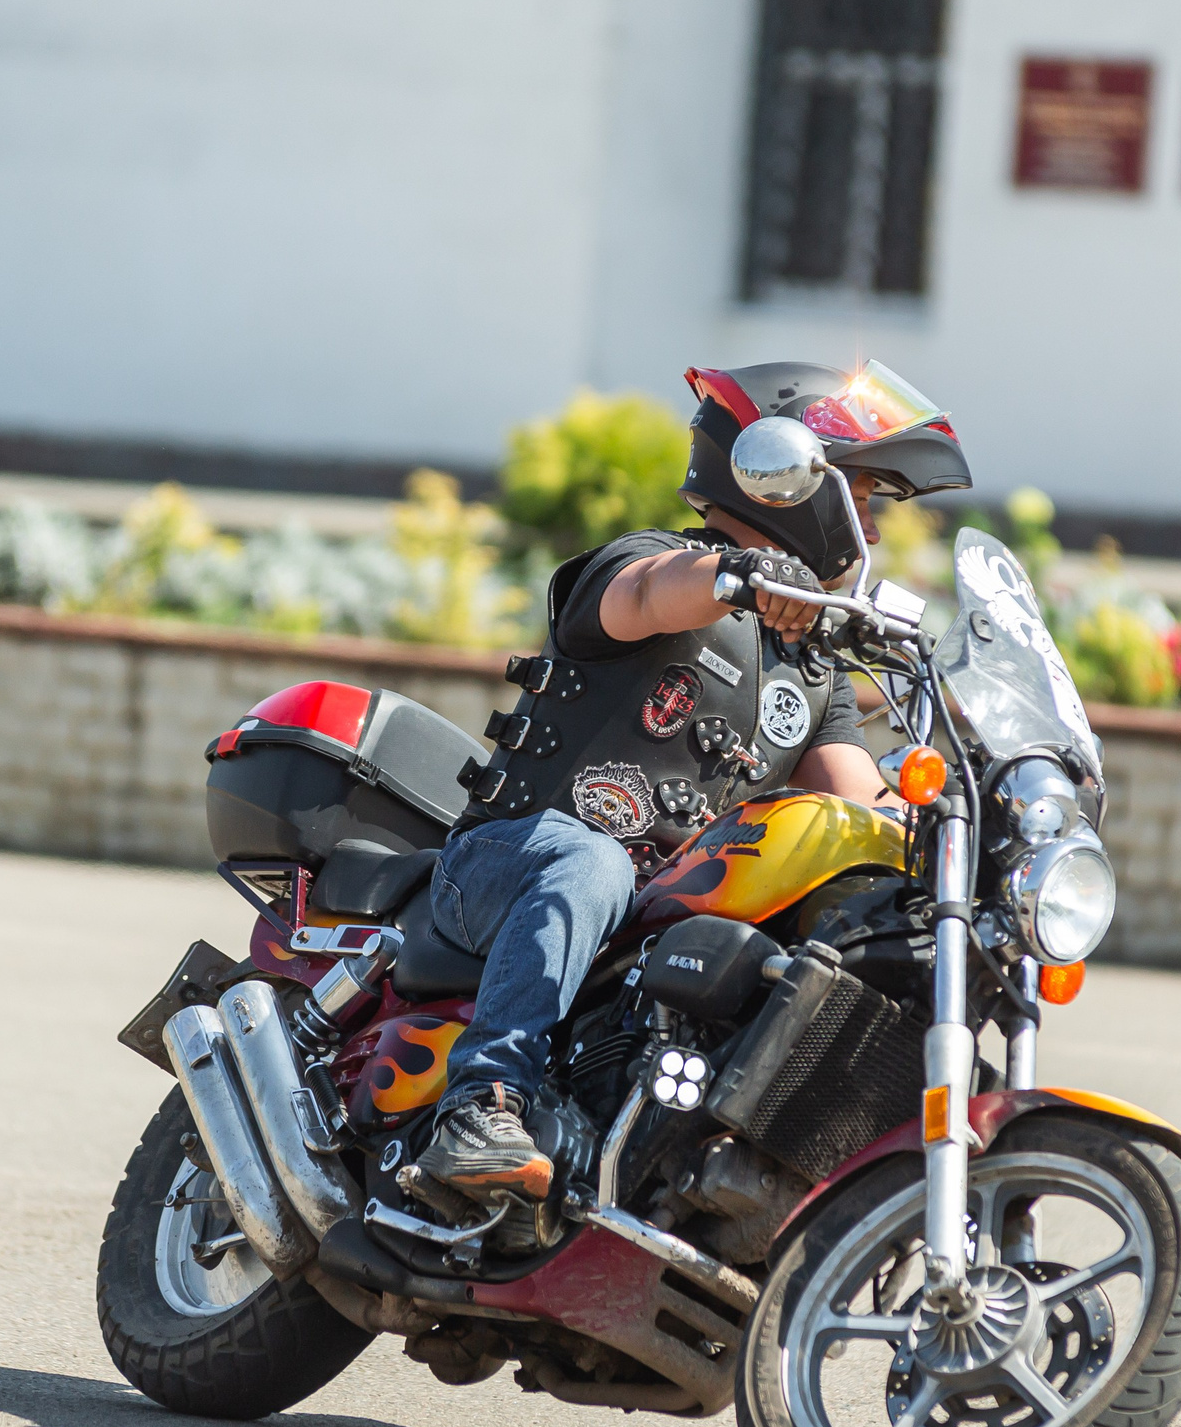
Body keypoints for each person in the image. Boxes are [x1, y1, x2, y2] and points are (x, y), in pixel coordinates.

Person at [414, 361, 972, 1203]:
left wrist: (965, 818)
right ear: (786, 476)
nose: (872, 529)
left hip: (649, 911)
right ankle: (481, 1103)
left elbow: (859, 804)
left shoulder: (811, 673)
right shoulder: (652, 562)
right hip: (507, 861)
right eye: (861, 496)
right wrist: (738, 575)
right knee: (593, 860)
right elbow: (649, 595)